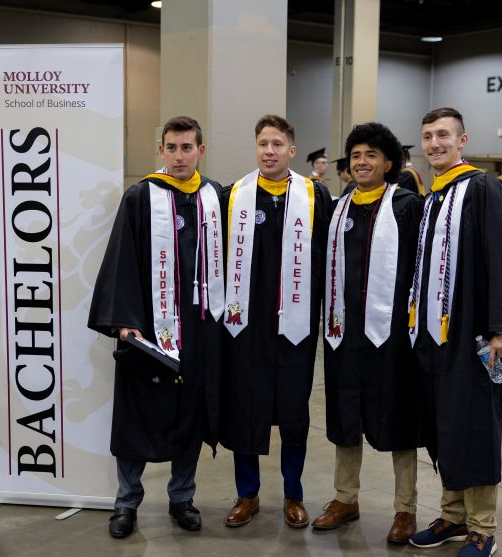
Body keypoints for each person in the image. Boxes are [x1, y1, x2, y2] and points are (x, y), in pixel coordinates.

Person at [407, 108, 502, 557]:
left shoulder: (482, 188)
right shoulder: (434, 195)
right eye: (428, 136)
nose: (434, 143)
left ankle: (483, 527)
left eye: (443, 135)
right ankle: (453, 516)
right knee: (445, 423)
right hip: (435, 334)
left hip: (475, 335)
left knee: (476, 424)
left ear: (462, 140)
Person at [88, 116, 224, 539]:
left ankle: (182, 498)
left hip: (199, 330)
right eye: (172, 147)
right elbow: (122, 258)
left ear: (201, 150)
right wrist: (126, 324)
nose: (179, 156)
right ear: (161, 151)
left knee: (190, 414)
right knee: (138, 415)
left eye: (187, 147)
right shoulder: (140, 197)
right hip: (149, 330)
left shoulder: (214, 197)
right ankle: (126, 502)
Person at [312, 122, 424, 544]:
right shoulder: (338, 208)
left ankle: (405, 508)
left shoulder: (407, 207)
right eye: (356, 155)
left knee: (399, 415)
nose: (362, 162)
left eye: (371, 155)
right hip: (344, 333)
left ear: (388, 163)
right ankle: (346, 498)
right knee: (345, 413)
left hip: (391, 334)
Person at [221, 114, 331, 529]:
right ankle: (247, 493)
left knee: (294, 411)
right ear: (256, 148)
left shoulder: (314, 196)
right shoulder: (234, 196)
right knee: (245, 407)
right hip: (246, 327)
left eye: (277, 144)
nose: (269, 151)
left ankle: (293, 493)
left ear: (292, 150)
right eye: (263, 144)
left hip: (295, 325)